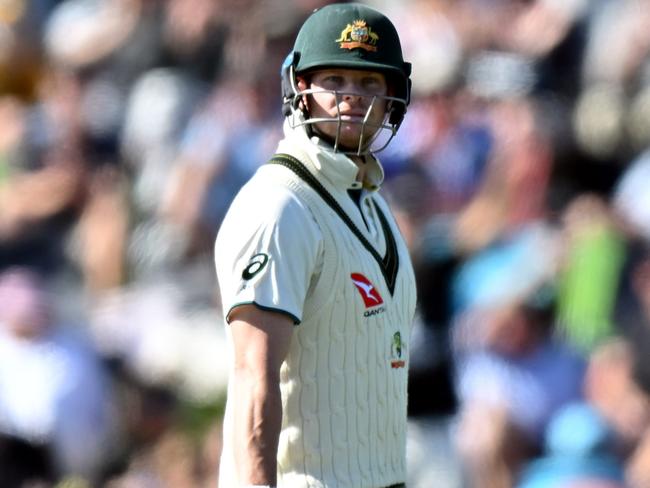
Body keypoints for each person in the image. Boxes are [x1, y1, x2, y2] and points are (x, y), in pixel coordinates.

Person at [214, 3, 415, 487]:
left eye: (369, 83)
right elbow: (252, 375)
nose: (351, 98)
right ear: (301, 88)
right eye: (335, 80)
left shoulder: (372, 204)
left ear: (392, 97)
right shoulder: (281, 206)